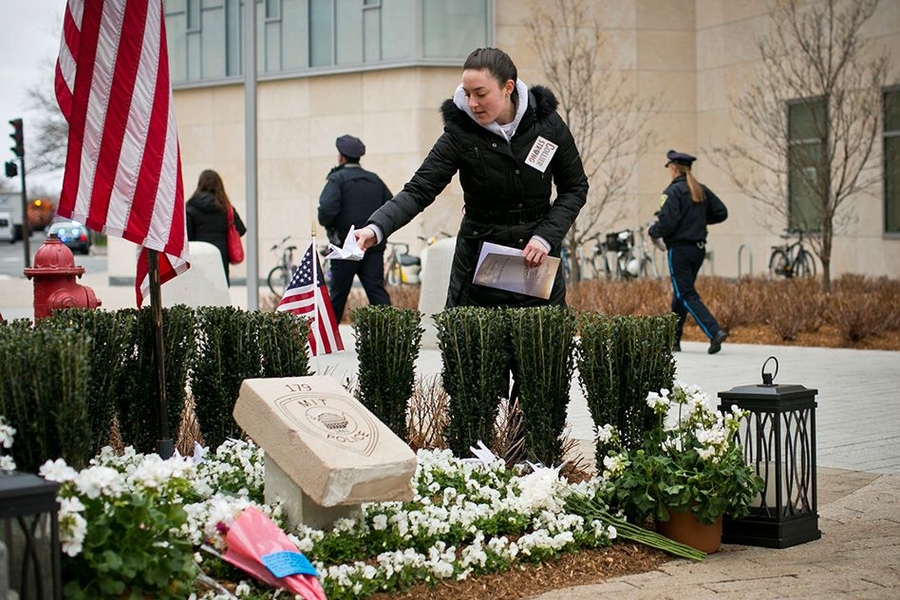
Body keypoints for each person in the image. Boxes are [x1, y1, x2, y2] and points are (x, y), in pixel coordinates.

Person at [354, 47, 588, 311]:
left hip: (536, 264)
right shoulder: (460, 133)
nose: (472, 103)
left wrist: (545, 237)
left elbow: (575, 187)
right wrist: (376, 228)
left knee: (540, 349)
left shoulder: (547, 125)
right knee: (473, 348)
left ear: (507, 87)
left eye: (481, 93)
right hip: (479, 267)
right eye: (467, 94)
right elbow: (419, 189)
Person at [648, 150, 728, 354]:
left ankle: (714, 331)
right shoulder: (700, 189)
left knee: (685, 292)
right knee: (680, 293)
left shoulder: (672, 192)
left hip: (680, 250)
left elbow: (667, 222)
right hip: (698, 250)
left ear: (673, 169)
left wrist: (652, 230)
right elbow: (721, 212)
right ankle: (673, 340)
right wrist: (697, 222)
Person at [317, 134, 393, 322]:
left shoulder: (337, 179)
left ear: (341, 157)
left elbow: (326, 211)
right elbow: (391, 207)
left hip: (345, 247)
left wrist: (330, 224)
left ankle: (329, 340)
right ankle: (391, 333)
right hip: (372, 247)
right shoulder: (374, 179)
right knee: (377, 292)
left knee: (337, 296)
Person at [185, 169, 246, 286]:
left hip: (198, 258)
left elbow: (187, 236)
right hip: (220, 257)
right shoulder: (226, 208)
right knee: (220, 292)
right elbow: (241, 230)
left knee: (200, 291)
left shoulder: (190, 207)